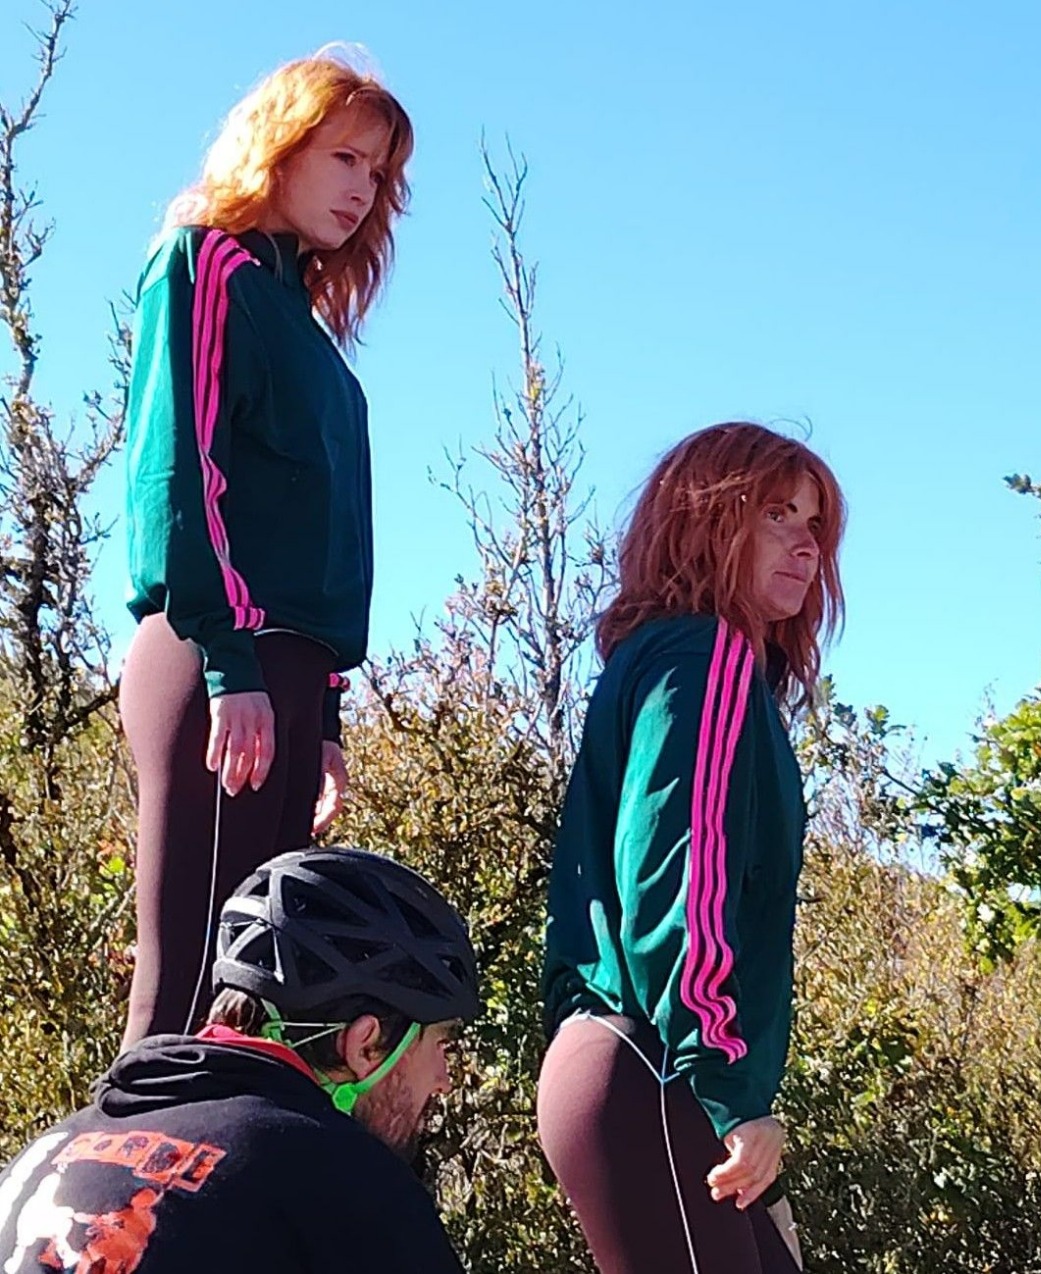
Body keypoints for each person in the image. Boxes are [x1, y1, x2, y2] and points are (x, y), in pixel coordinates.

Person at [118, 52, 413, 1048]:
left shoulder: (308, 328)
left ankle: (219, 1200)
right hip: (217, 657)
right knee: (186, 991)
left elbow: (318, 536)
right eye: (342, 157)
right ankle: (111, 1207)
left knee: (258, 1001)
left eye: (376, 174)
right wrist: (226, 661)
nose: (360, 189)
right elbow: (180, 471)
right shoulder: (205, 263)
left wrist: (325, 713)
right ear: (277, 148)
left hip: (288, 673)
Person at [539, 422, 846, 1273]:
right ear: (704, 521)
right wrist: (725, 1085)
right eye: (776, 514)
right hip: (652, 1066)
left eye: (814, 524)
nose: (806, 545)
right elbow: (678, 876)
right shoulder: (704, 655)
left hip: (637, 1071)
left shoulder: (672, 660)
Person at [0, 846, 480, 1273]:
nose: (443, 1080)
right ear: (365, 1045)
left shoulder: (44, 1153)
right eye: (440, 1044)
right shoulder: (347, 1183)